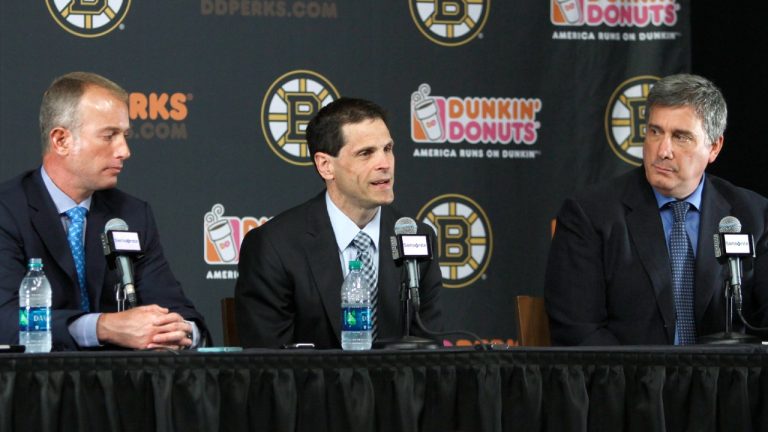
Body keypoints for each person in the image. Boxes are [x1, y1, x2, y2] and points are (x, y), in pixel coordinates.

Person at [545, 73, 768, 345]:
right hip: (627, 382)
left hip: (725, 383)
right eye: (655, 131)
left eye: (681, 137)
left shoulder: (754, 215)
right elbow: (578, 331)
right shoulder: (589, 214)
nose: (663, 150)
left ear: (714, 147)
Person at [0, 72, 208, 350]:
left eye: (124, 135)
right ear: (61, 140)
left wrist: (180, 332)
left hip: (120, 387)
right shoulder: (7, 210)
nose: (125, 150)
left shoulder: (132, 214)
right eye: (109, 136)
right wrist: (103, 327)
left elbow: (181, 313)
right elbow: (6, 321)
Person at [235, 97, 443, 348]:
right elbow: (270, 366)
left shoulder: (416, 237)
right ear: (325, 166)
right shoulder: (274, 246)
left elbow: (430, 351)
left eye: (387, 149)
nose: (385, 164)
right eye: (366, 153)